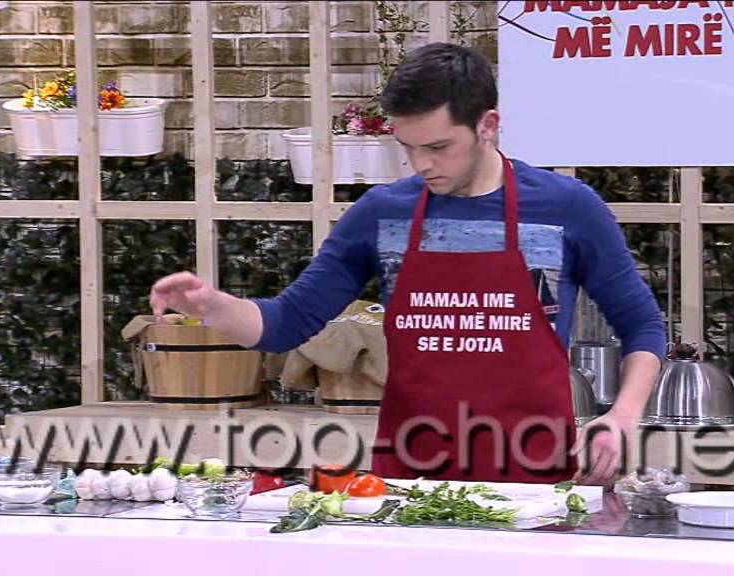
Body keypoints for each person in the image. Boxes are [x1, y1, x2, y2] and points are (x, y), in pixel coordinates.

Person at [150, 43, 666, 486]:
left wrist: (621, 417)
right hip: (409, 480)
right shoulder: (381, 213)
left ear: (488, 125)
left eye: (438, 147)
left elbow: (642, 326)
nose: (422, 165)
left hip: (536, 478)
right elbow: (287, 322)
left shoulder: (568, 207)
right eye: (408, 148)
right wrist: (212, 305)